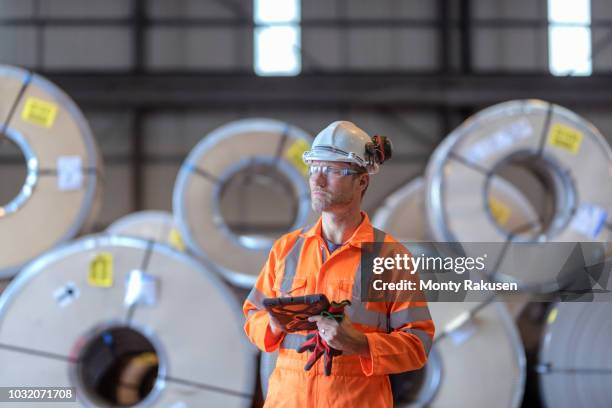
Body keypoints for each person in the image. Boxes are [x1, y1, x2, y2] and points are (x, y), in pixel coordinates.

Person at [243, 121, 435, 407]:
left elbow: (417, 344)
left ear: (362, 181)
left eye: (332, 170)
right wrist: (272, 324)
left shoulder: (389, 257)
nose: (318, 180)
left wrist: (360, 343)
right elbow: (252, 316)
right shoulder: (287, 249)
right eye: (314, 168)